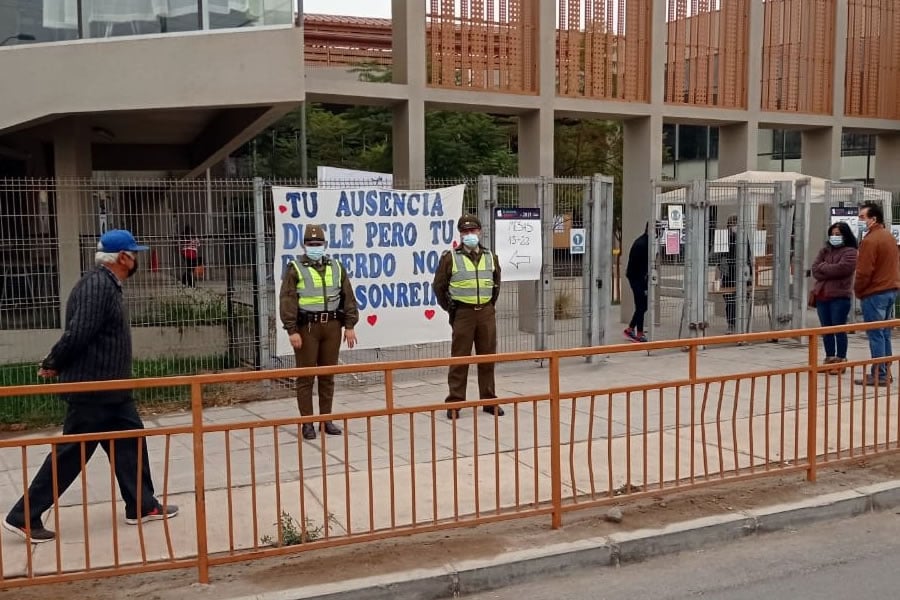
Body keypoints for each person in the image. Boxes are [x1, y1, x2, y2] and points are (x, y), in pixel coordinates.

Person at [4, 229, 178, 543]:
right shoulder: (98, 286)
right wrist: (53, 361)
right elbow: (78, 333)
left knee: (131, 441)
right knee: (71, 454)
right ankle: (24, 514)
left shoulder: (107, 285)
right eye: (135, 253)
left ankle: (142, 505)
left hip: (111, 390)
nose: (138, 257)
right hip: (93, 390)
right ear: (123, 257)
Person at [279, 224, 359, 440]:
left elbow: (348, 296)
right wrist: (291, 329)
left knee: (327, 375)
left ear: (325, 245)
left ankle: (326, 419)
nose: (315, 247)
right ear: (304, 246)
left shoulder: (336, 266)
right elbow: (287, 299)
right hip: (307, 329)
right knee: (306, 377)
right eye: (311, 244)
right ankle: (307, 422)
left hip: (332, 327)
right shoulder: (295, 268)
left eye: (319, 244)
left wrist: (350, 325)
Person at [433, 215, 505, 420]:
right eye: (465, 232)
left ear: (480, 232)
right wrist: (452, 309)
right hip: (463, 313)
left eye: (472, 231)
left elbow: (496, 283)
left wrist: (489, 305)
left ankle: (488, 400)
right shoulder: (450, 257)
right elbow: (439, 286)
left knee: (488, 358)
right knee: (460, 358)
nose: (469, 235)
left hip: (485, 312)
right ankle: (455, 402)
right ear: (460, 234)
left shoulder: (490, 256)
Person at [854, 202, 900, 385]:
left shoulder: (871, 240)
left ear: (873, 219)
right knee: (884, 334)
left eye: (862, 217)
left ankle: (879, 374)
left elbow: (864, 271)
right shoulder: (888, 236)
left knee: (876, 334)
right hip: (890, 289)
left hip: (875, 292)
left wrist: (858, 290)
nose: (859, 220)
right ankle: (884, 371)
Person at [810, 222, 858, 373]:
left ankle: (841, 360)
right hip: (822, 296)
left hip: (839, 296)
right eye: (832, 234)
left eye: (838, 234)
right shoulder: (825, 250)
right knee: (826, 329)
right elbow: (815, 270)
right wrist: (824, 269)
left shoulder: (850, 252)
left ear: (845, 235)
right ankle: (829, 358)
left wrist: (823, 267)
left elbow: (842, 269)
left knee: (839, 328)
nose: (834, 237)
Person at [720, 215, 752, 334]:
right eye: (732, 224)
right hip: (729, 274)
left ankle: (741, 324)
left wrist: (749, 274)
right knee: (730, 300)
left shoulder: (744, 238)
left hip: (742, 274)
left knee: (743, 299)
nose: (735, 227)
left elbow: (748, 255)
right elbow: (719, 255)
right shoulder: (724, 238)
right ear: (728, 226)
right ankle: (731, 324)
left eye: (736, 224)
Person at [624, 223, 649, 343]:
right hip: (636, 277)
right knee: (641, 305)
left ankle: (630, 329)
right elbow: (639, 266)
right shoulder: (642, 244)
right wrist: (644, 283)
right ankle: (639, 333)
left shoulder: (648, 242)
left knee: (643, 306)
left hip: (640, 277)